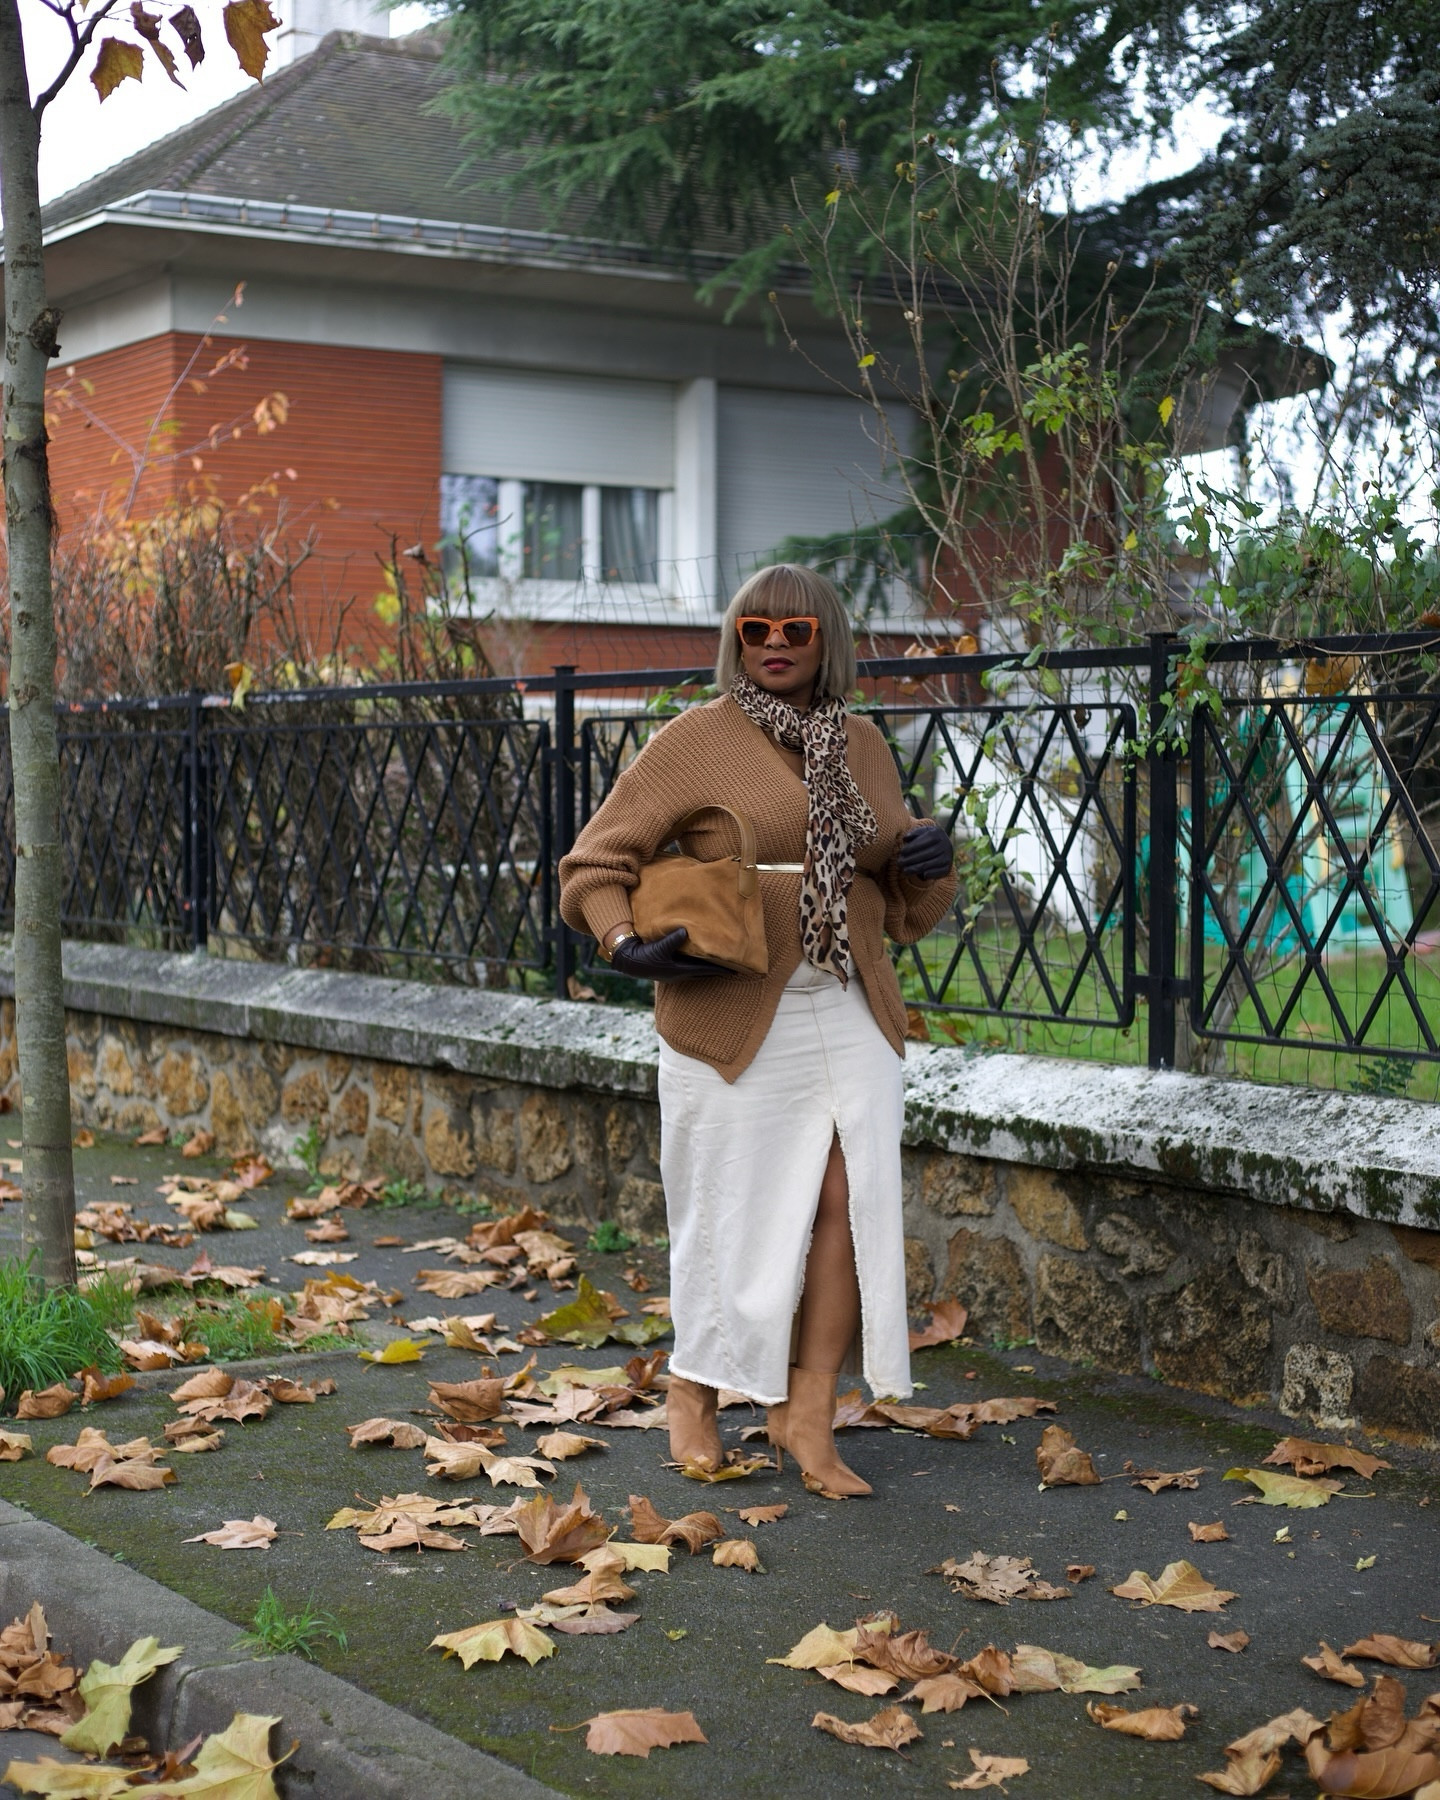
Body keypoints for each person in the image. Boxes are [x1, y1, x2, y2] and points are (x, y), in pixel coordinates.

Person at [558, 564, 957, 1497]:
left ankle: (804, 1417)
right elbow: (593, 861)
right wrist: (624, 943)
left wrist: (930, 861)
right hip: (728, 1010)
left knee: (848, 1209)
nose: (775, 644)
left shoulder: (860, 745)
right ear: (737, 640)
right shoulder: (696, 739)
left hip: (850, 1003)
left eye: (796, 631)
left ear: (829, 642)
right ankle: (694, 1393)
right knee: (727, 1214)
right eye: (756, 630)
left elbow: (901, 907)